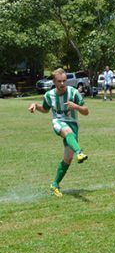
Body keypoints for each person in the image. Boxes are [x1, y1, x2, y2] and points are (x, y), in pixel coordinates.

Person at [28, 68, 89, 197]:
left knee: (67, 158)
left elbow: (86, 111)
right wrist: (34, 104)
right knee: (67, 132)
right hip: (58, 122)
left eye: (64, 81)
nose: (62, 84)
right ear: (54, 82)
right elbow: (45, 109)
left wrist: (76, 107)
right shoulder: (49, 95)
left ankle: (54, 185)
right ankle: (80, 152)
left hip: (73, 124)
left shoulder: (74, 93)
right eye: (59, 81)